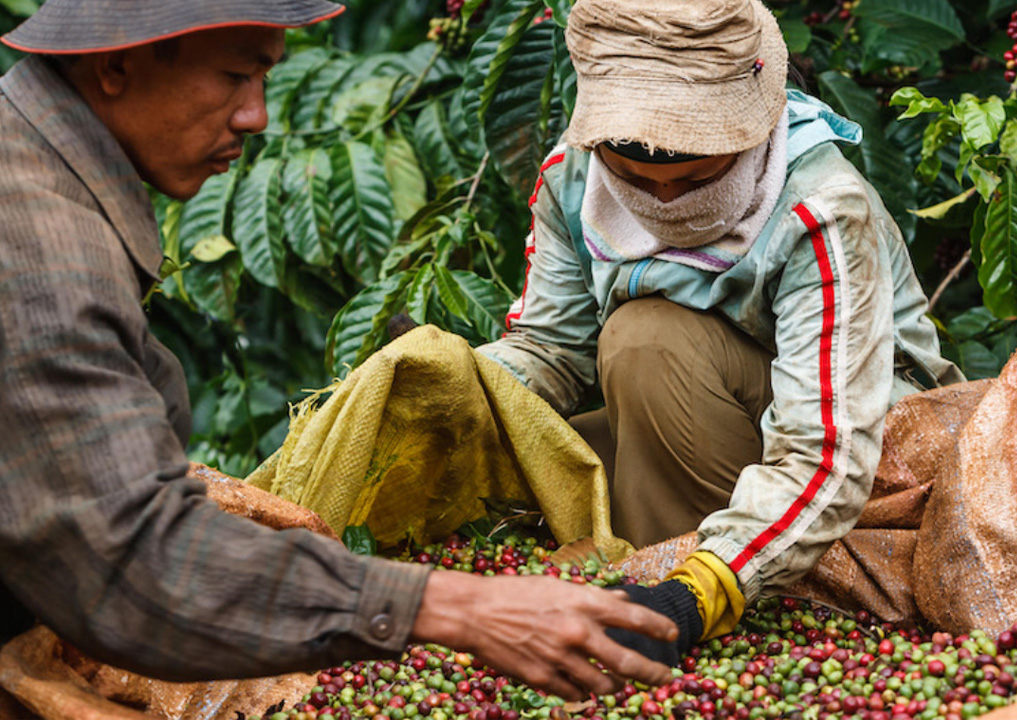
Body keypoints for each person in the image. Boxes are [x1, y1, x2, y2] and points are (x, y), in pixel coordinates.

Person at [0, 0, 676, 700]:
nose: (255, 116)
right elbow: (137, 567)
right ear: (115, 66)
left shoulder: (36, 170)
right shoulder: (44, 252)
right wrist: (458, 607)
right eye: (235, 76)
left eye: (264, 80)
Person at [478, 0, 964, 659]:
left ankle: (684, 599)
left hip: (856, 466)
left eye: (696, 178)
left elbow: (826, 448)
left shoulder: (819, 208)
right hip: (695, 425)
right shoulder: (572, 181)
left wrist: (700, 589)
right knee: (501, 452)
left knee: (647, 340)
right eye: (635, 180)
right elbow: (550, 349)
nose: (666, 203)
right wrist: (458, 386)